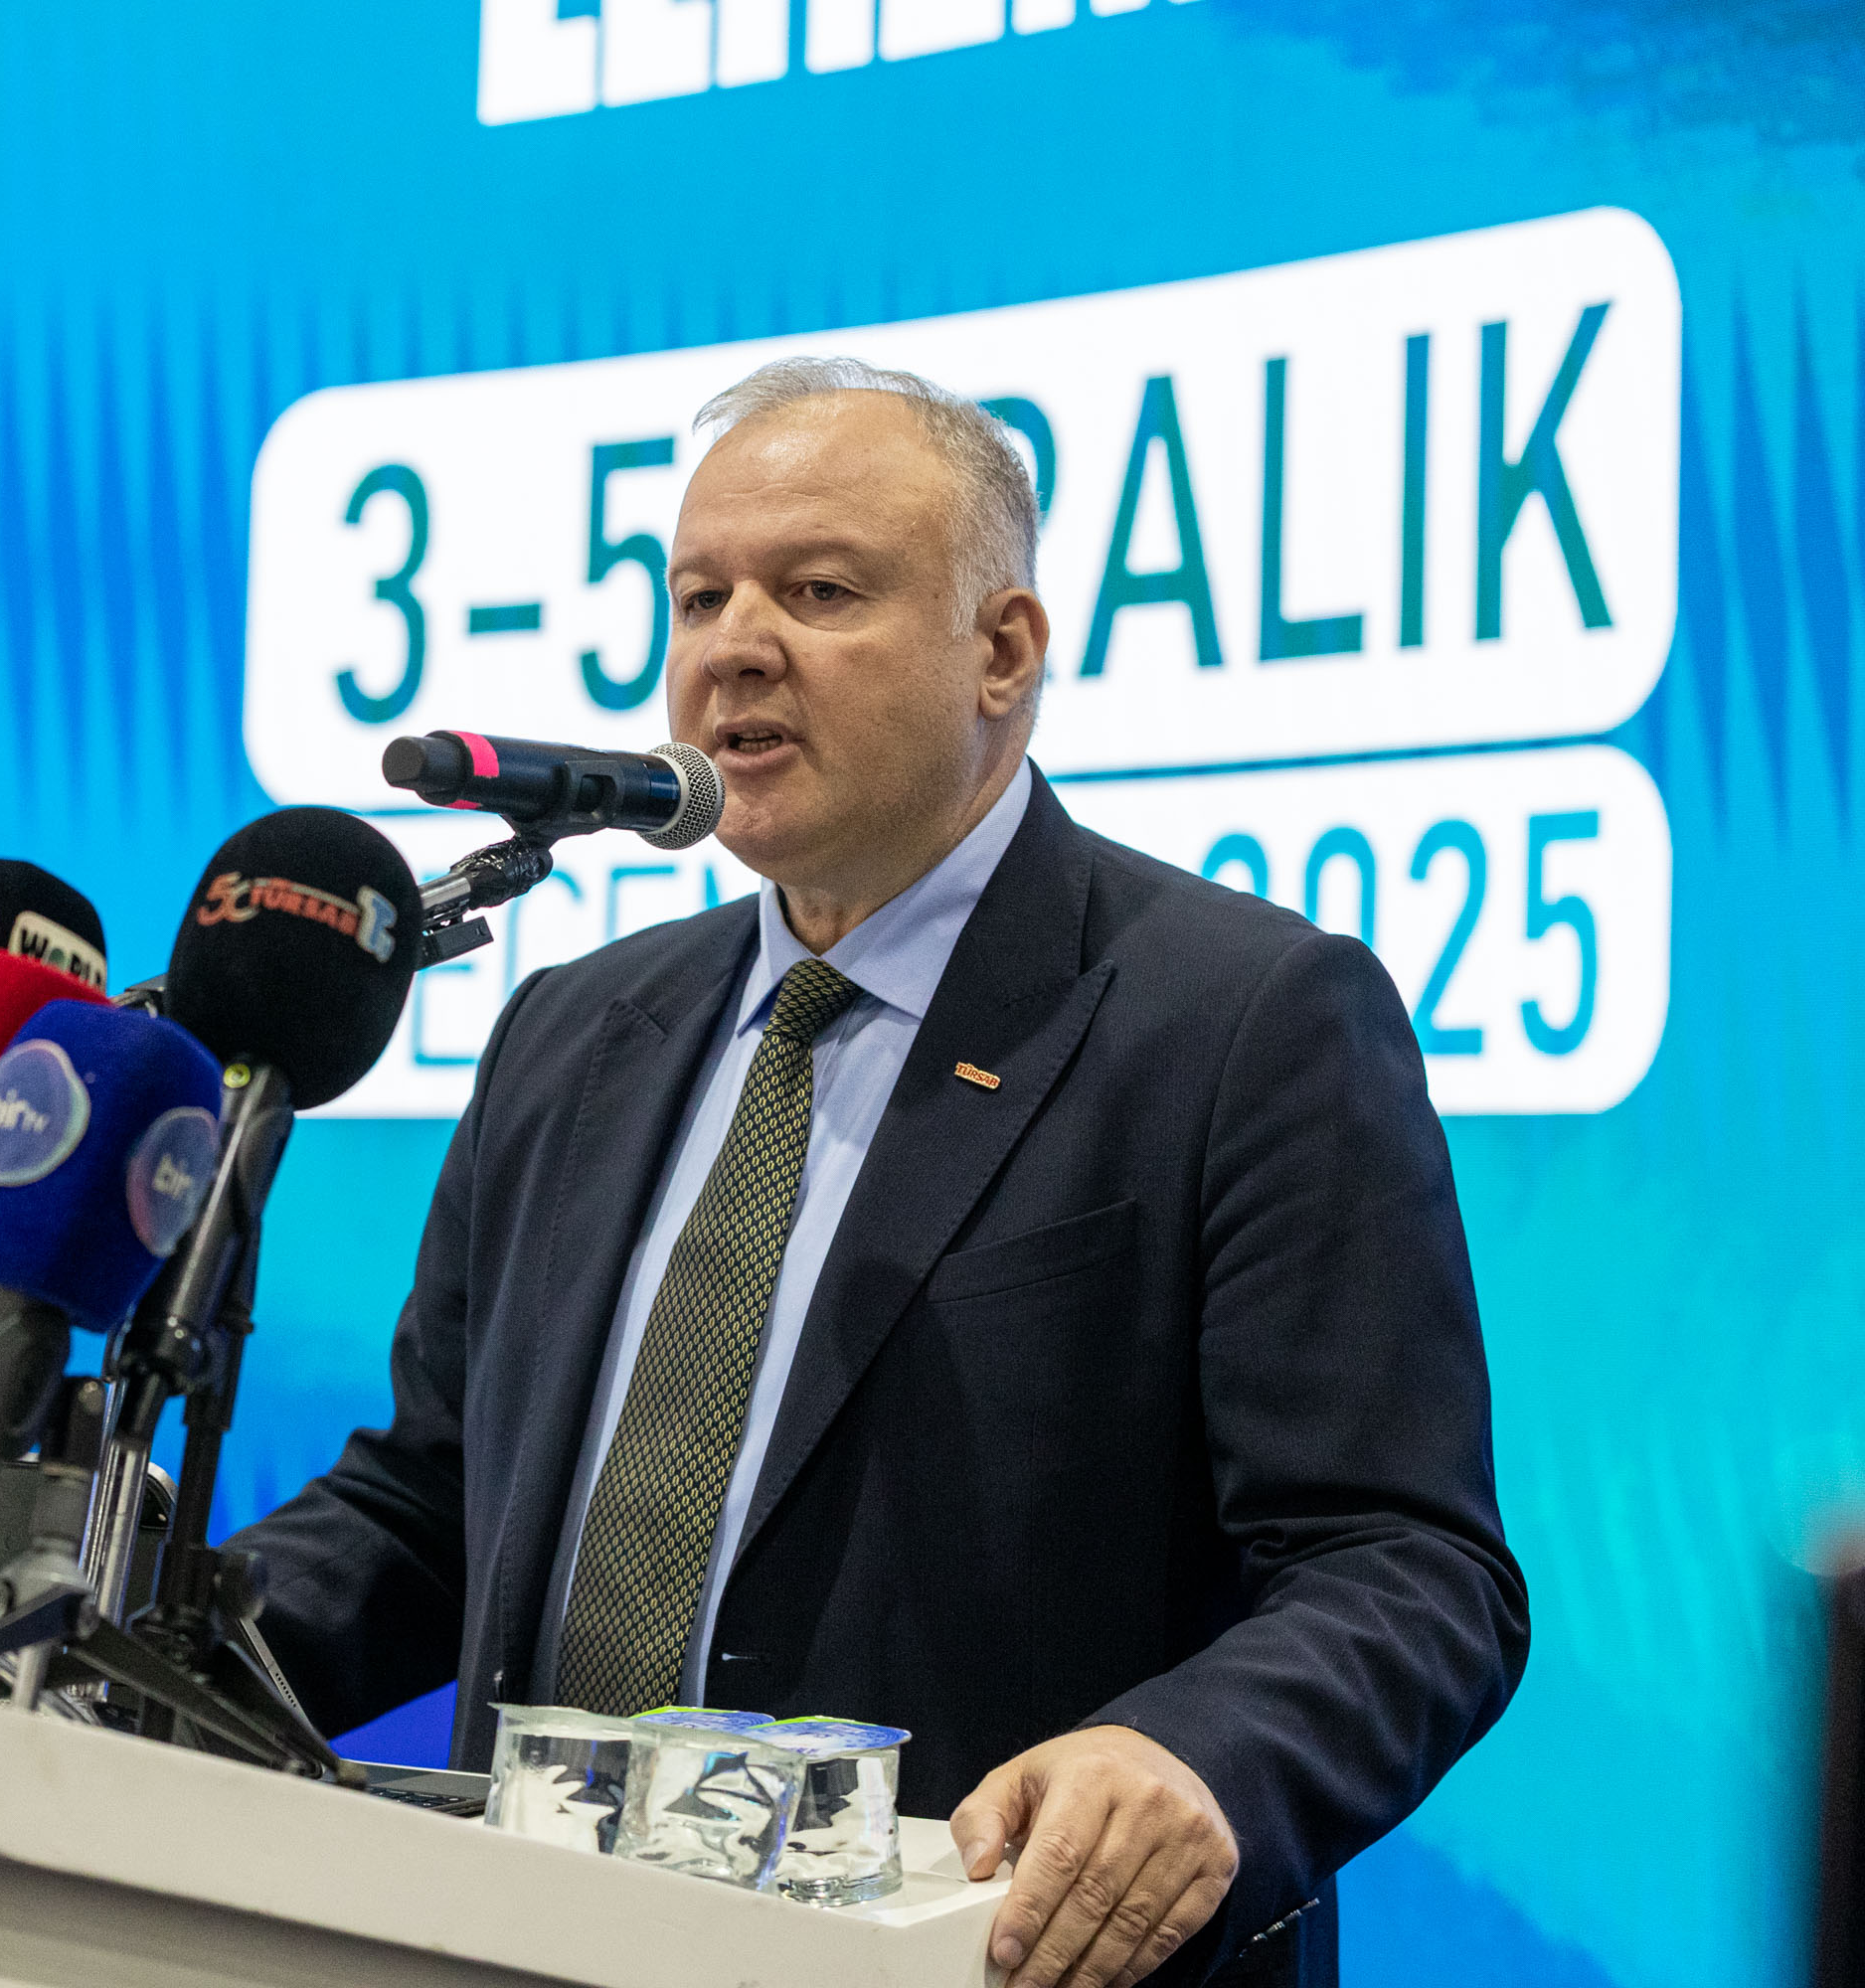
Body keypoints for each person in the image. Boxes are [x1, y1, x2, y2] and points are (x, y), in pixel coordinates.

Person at [234, 357, 1528, 1988]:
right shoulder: (572, 1034)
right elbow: (431, 1513)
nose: (734, 646)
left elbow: (1405, 1568)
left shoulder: (1243, 1021)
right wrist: (124, 1643)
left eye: (819, 591)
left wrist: (1194, 1756)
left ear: (1004, 651)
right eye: (699, 597)